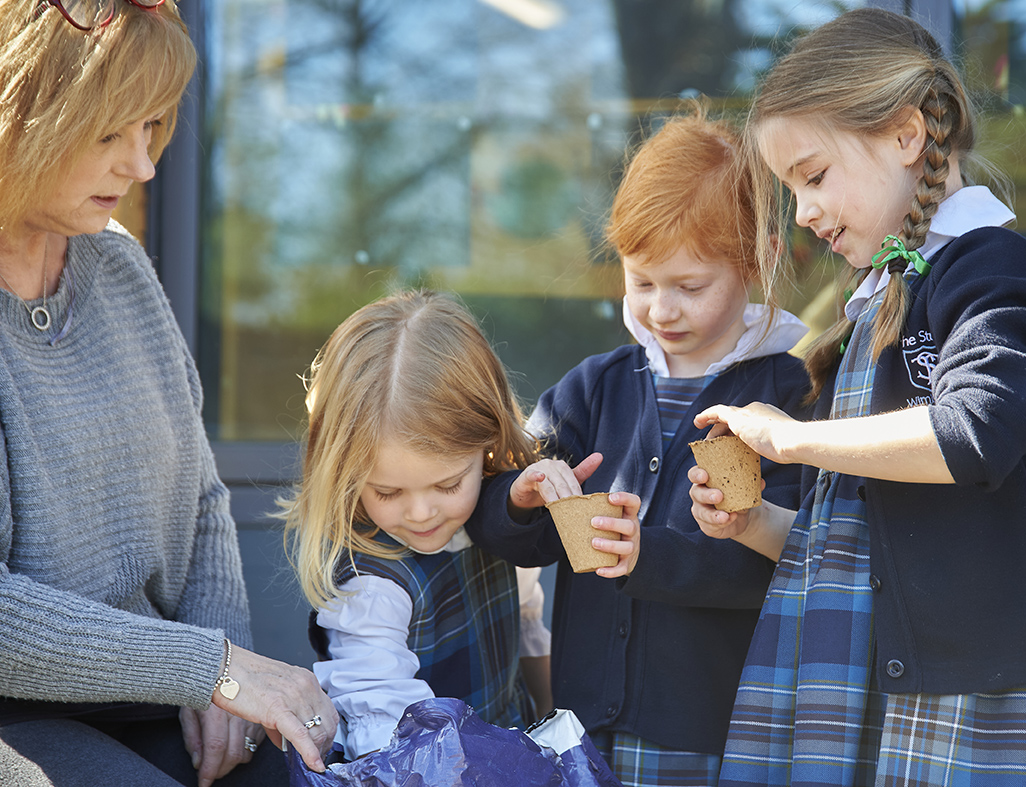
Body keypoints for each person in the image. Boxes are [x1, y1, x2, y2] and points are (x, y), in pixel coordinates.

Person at [689, 8, 1026, 786]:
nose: (805, 211)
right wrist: (756, 522)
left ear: (906, 136)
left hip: (975, 692)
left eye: (812, 176)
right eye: (791, 190)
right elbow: (862, 546)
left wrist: (791, 439)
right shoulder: (876, 304)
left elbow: (972, 434)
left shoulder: (988, 267)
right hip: (864, 688)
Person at [0, 2, 338, 786]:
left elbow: (199, 496)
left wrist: (223, 667)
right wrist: (210, 666)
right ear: (22, 115)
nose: (144, 166)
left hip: (150, 694)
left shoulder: (118, 265)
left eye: (152, 128)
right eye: (111, 134)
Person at [463, 110, 813, 787]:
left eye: (689, 285)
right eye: (641, 280)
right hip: (584, 727)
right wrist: (522, 497)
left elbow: (784, 565)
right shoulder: (592, 387)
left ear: (759, 261)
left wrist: (642, 554)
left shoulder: (786, 398)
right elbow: (503, 530)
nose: (661, 309)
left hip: (713, 731)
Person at [281, 291, 568, 762]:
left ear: (488, 444)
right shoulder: (371, 589)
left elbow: (526, 623)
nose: (420, 514)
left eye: (448, 484)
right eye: (388, 493)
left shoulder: (495, 520)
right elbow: (390, 739)